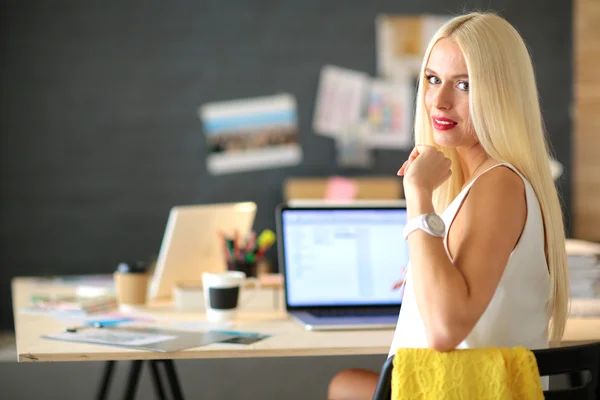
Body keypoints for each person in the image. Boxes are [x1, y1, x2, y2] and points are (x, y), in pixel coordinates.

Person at [328, 11, 569, 399]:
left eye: (464, 85)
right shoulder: (484, 184)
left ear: (501, 93)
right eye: (433, 79)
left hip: (464, 390)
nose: (438, 101)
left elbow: (443, 331)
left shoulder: (500, 184)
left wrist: (417, 193)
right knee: (344, 386)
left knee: (343, 387)